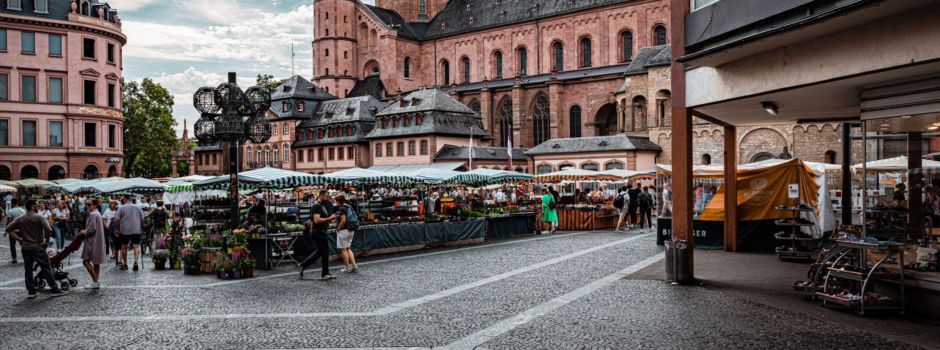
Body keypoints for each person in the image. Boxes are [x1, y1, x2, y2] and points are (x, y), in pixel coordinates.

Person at [6, 200, 68, 298]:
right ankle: (54, 289)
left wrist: (20, 239)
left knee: (28, 269)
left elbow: (8, 229)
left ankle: (31, 291)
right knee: (46, 268)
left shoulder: (20, 218)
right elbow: (48, 229)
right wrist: (46, 241)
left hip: (26, 247)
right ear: (33, 207)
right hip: (38, 246)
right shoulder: (39, 217)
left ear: (26, 207)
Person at [298, 190, 337, 280]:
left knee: (321, 252)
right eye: (327, 197)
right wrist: (329, 218)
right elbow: (317, 220)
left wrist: (331, 219)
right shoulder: (316, 206)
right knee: (325, 252)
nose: (328, 198)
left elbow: (324, 218)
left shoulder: (323, 205)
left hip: (322, 231)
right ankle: (325, 274)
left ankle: (303, 265)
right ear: (321, 196)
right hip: (318, 232)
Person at [79, 199, 106, 289]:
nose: (87, 206)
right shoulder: (97, 214)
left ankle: (95, 281)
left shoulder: (93, 214)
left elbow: (92, 229)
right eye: (87, 205)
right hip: (98, 240)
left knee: (85, 261)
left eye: (89, 205)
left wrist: (84, 231)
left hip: (92, 241)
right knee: (96, 263)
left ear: (95, 205)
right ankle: (95, 282)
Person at [114, 195, 145, 271]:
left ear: (125, 199)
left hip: (125, 230)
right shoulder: (138, 207)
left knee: (124, 247)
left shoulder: (121, 207)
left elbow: (116, 220)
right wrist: (142, 228)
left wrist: (117, 229)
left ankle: (125, 264)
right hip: (136, 229)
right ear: (131, 199)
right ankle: (136, 262)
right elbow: (142, 219)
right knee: (136, 246)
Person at [334, 195, 359, 274]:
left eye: (336, 201)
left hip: (344, 230)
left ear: (338, 201)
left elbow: (343, 220)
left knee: (343, 249)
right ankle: (354, 266)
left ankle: (346, 267)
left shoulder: (342, 208)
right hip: (351, 230)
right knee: (348, 248)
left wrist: (338, 228)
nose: (336, 203)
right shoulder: (349, 206)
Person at [5, 199, 26, 264]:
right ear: (18, 202)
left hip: (13, 230)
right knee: (23, 244)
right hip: (22, 230)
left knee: (12, 245)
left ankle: (14, 258)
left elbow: (9, 221)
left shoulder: (10, 211)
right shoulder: (23, 210)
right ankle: (25, 257)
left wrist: (6, 230)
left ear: (12, 203)